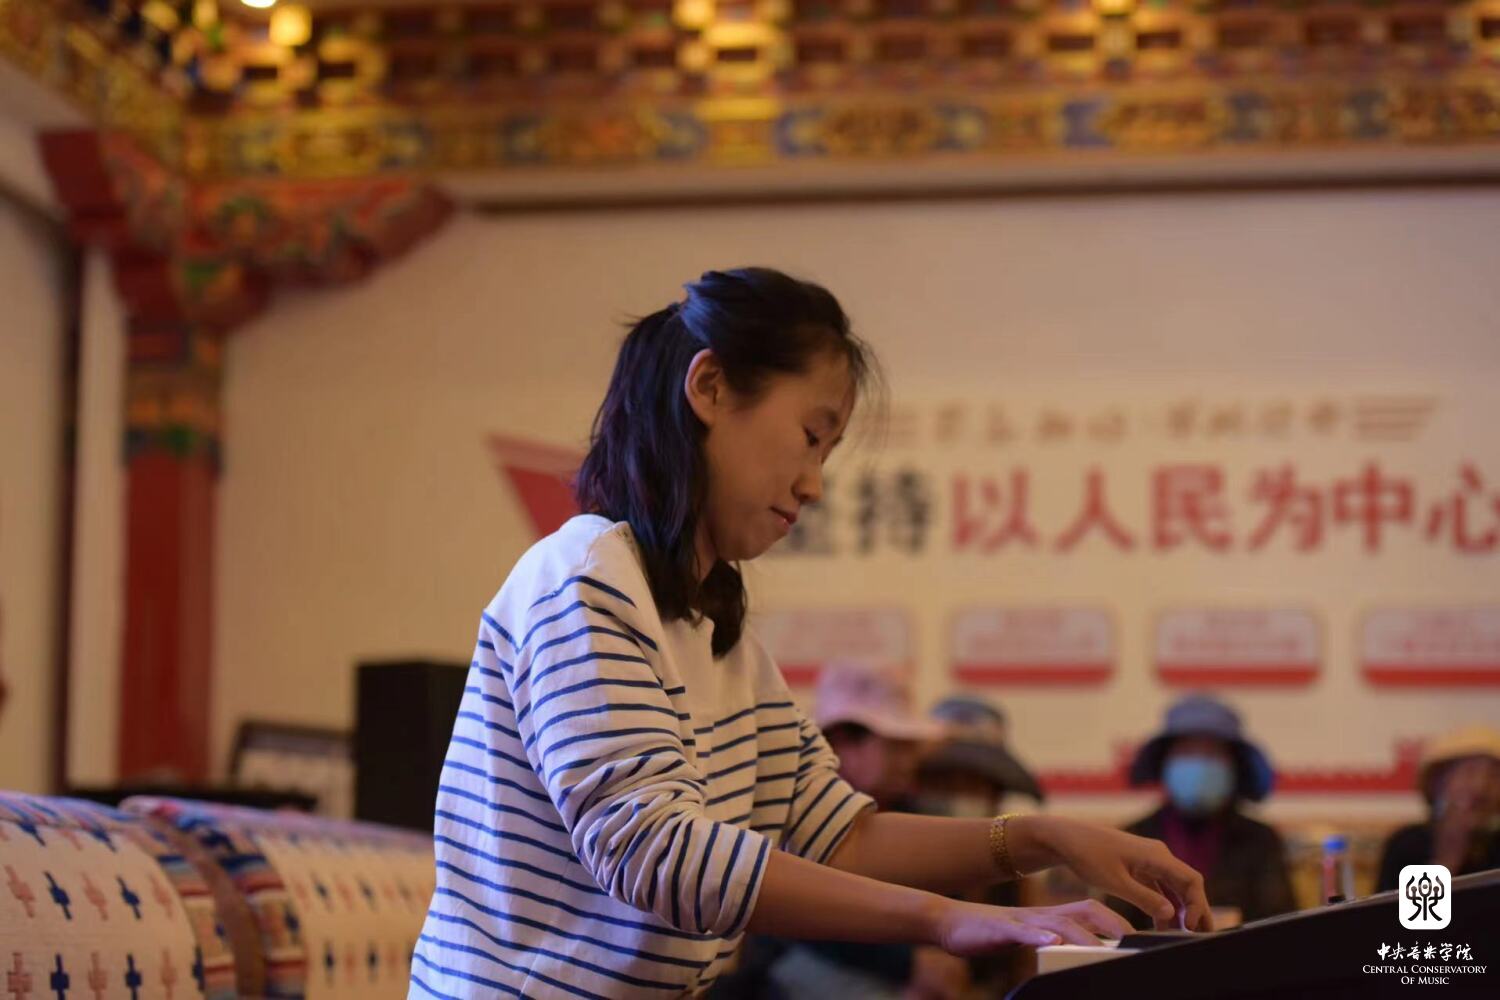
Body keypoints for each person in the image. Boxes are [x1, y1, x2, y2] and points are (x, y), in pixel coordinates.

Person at [410, 268, 1211, 1000]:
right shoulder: (585, 575)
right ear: (711, 387)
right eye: (810, 436)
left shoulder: (720, 638)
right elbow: (655, 852)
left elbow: (839, 835)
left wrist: (1043, 839)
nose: (814, 484)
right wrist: (945, 920)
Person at [1112, 693, 1294, 929]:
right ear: (1165, 762)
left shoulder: (1260, 840)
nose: (1199, 765)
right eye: (1186, 751)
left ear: (1235, 767)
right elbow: (1112, 929)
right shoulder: (1134, 837)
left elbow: (1282, 927)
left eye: (1213, 753)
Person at [1377, 725, 1500, 892]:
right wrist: (1447, 857)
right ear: (1439, 782)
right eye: (1469, 772)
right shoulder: (1407, 844)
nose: (1480, 786)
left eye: (1493, 775)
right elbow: (1419, 909)